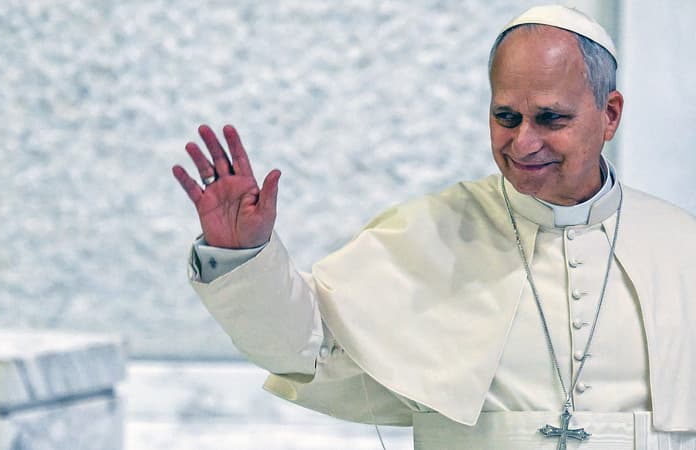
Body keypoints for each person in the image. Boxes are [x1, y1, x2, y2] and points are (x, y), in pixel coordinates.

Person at [172, 5, 696, 449]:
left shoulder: (681, 248)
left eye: (550, 119)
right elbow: (306, 349)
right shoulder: (432, 232)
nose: (523, 143)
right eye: (506, 117)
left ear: (609, 114)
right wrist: (245, 257)